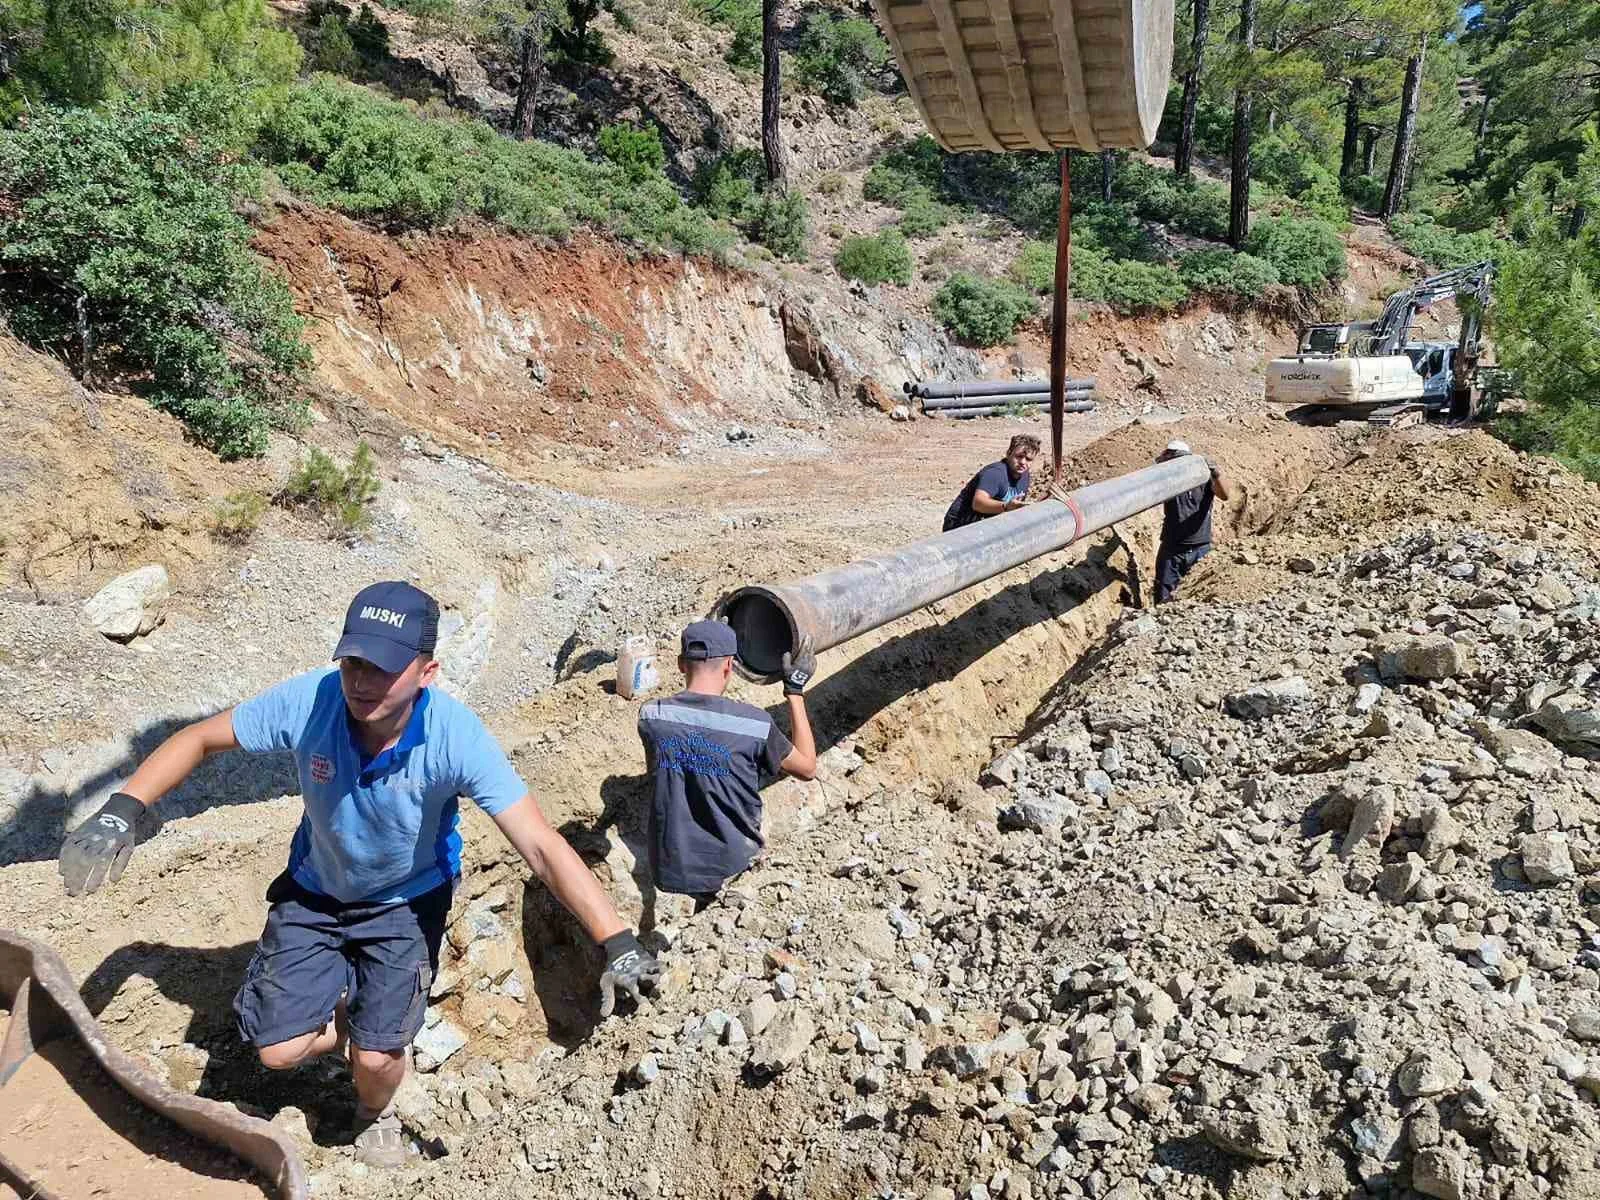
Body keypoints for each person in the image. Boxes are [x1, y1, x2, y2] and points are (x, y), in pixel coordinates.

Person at [58, 581, 659, 1169]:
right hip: (316, 890)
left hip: (406, 902)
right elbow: (200, 738)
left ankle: (377, 1111)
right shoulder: (314, 701)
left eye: (382, 668)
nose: (361, 681)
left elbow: (541, 845)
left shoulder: (455, 738)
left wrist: (618, 940)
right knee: (276, 1051)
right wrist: (123, 809)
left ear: (427, 672)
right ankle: (349, 1006)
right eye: (352, 662)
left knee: (374, 1061)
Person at [636, 620, 818, 911]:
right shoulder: (754, 725)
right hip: (734, 870)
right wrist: (794, 692)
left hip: (672, 869)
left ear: (682, 664)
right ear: (728, 666)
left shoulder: (652, 717)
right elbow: (808, 768)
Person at [1155, 440, 1233, 603]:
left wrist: (1215, 472)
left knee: (1198, 597)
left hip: (1199, 547)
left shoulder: (1203, 476)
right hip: (1172, 548)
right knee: (1163, 598)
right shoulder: (1166, 477)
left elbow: (1225, 495)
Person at [942, 434, 1040, 532]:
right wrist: (1006, 506)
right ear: (1009, 453)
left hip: (985, 524)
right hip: (959, 525)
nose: (1023, 462)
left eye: (1028, 459)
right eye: (1019, 456)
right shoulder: (995, 473)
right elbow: (978, 503)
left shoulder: (1024, 476)